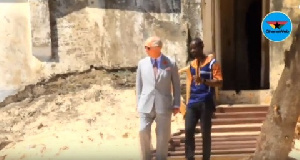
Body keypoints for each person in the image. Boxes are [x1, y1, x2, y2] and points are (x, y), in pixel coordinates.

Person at [136, 36, 181, 160]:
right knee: (143, 131)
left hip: (164, 105)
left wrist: (177, 104)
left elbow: (177, 85)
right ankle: (146, 157)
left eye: (148, 47)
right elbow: (139, 85)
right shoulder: (142, 64)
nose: (145, 49)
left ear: (157, 48)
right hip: (146, 104)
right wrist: (138, 103)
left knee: (162, 136)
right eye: (145, 47)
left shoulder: (170, 63)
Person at [184, 38, 223, 160]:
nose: (192, 51)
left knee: (205, 133)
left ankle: (206, 157)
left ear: (201, 47)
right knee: (189, 130)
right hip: (193, 102)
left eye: (195, 48)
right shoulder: (192, 65)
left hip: (206, 102)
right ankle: (190, 157)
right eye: (191, 49)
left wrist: (204, 81)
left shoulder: (212, 63)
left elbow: (219, 82)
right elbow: (190, 84)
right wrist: (187, 101)